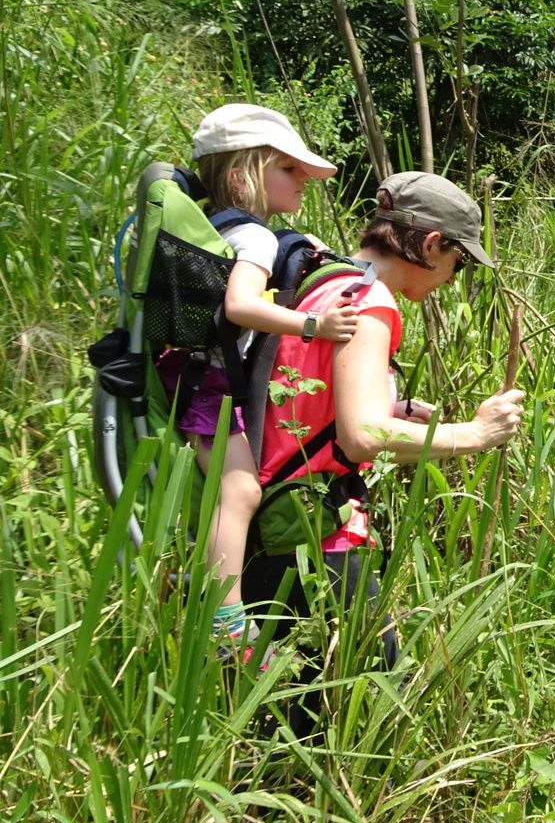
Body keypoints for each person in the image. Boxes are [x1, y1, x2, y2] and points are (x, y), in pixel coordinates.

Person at [244, 170, 525, 671]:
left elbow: (309, 399)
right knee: (368, 683)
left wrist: (391, 410)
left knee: (284, 697)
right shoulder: (371, 303)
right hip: (309, 531)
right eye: (457, 265)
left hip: (266, 520)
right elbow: (361, 436)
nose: (450, 280)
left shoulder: (327, 283)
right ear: (433, 244)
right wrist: (475, 434)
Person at [161, 103, 357, 655]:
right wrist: (314, 323)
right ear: (247, 172)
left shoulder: (221, 226)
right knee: (240, 491)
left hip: (192, 376)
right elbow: (242, 304)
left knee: (230, 490)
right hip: (211, 388)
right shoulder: (256, 238)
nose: (302, 182)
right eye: (289, 170)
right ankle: (224, 622)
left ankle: (193, 582)